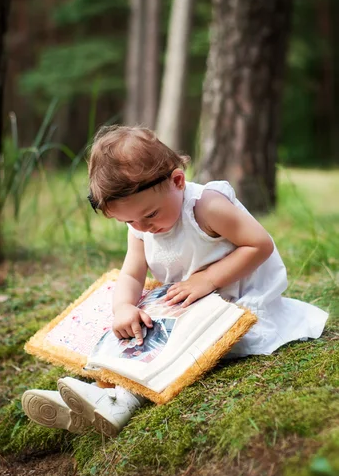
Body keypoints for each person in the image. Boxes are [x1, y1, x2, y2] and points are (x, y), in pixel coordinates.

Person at [22, 125, 328, 438]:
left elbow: (259, 244)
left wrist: (207, 279)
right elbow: (131, 273)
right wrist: (124, 307)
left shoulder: (206, 208)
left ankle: (121, 401)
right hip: (184, 304)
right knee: (135, 330)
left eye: (150, 215)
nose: (142, 227)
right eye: (129, 221)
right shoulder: (141, 225)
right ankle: (96, 393)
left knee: (172, 347)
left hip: (235, 307)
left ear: (177, 181)